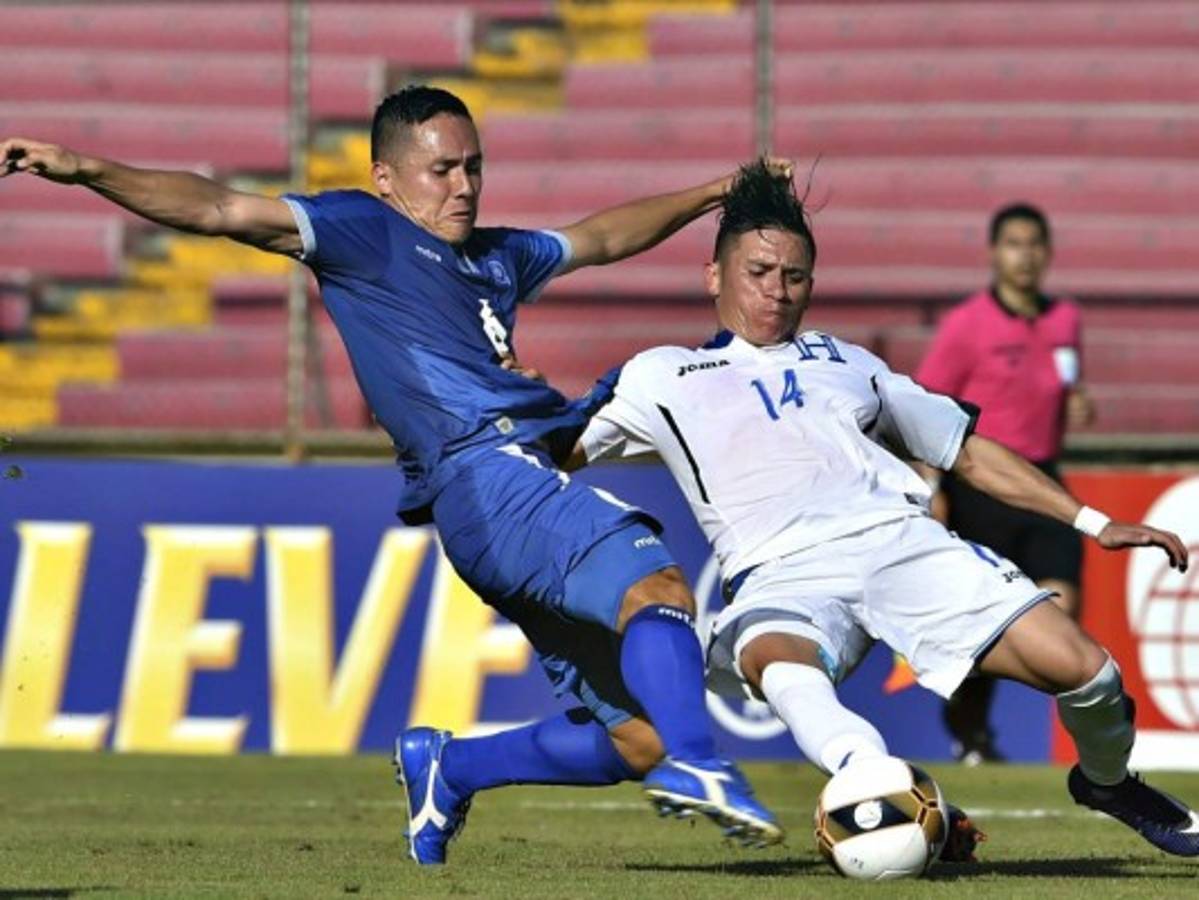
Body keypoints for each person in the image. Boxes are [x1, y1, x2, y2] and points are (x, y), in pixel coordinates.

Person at [0, 86, 791, 864]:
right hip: (489, 475)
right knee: (655, 589)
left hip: (495, 498)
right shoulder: (365, 231)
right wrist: (81, 166)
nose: (464, 186)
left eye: (474, 167)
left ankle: (453, 767)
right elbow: (217, 209)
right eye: (441, 169)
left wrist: (719, 192)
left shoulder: (495, 257)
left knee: (637, 737)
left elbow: (601, 238)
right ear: (386, 178)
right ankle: (704, 763)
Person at [566, 161, 1199, 858]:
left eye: (794, 276)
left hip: (900, 542)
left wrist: (1093, 522)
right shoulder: (660, 376)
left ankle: (1106, 782)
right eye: (758, 272)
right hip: (782, 573)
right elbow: (556, 448)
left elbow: (966, 451)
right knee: (776, 664)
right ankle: (879, 787)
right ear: (713, 276)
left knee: (1089, 672)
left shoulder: (849, 362)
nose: (777, 291)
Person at [916, 204, 1093, 764]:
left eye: (1035, 244)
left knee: (1061, 607)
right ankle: (970, 726)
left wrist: (1077, 398)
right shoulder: (967, 325)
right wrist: (933, 488)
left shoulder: (1065, 318)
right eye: (1014, 244)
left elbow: (1064, 379)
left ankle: (1091, 752)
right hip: (983, 487)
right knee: (984, 625)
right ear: (994, 253)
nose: (1026, 256)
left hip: (1043, 482)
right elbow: (924, 410)